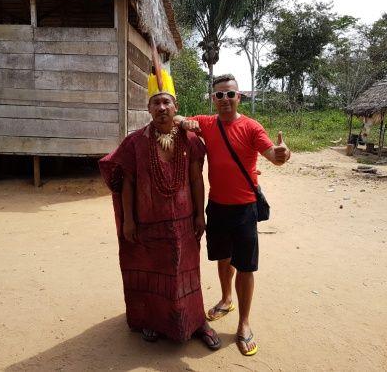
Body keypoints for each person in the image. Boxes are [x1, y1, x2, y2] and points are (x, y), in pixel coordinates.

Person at [99, 68, 220, 350]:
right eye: (156, 102)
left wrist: (199, 214)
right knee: (152, 270)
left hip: (183, 222)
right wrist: (129, 220)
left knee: (187, 270)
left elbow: (195, 179)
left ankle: (196, 320)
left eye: (167, 102)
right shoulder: (135, 141)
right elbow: (126, 182)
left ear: (176, 106)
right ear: (148, 108)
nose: (162, 107)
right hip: (148, 222)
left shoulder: (190, 140)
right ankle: (152, 319)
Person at [174, 74, 291, 356]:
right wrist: (184, 122)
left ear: (239, 97)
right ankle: (226, 299)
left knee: (246, 266)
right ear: (213, 100)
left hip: (245, 208)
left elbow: (272, 155)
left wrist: (281, 154)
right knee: (223, 258)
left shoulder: (251, 127)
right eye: (219, 95)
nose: (225, 100)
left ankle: (244, 324)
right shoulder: (207, 123)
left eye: (230, 95)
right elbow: (176, 116)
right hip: (217, 206)